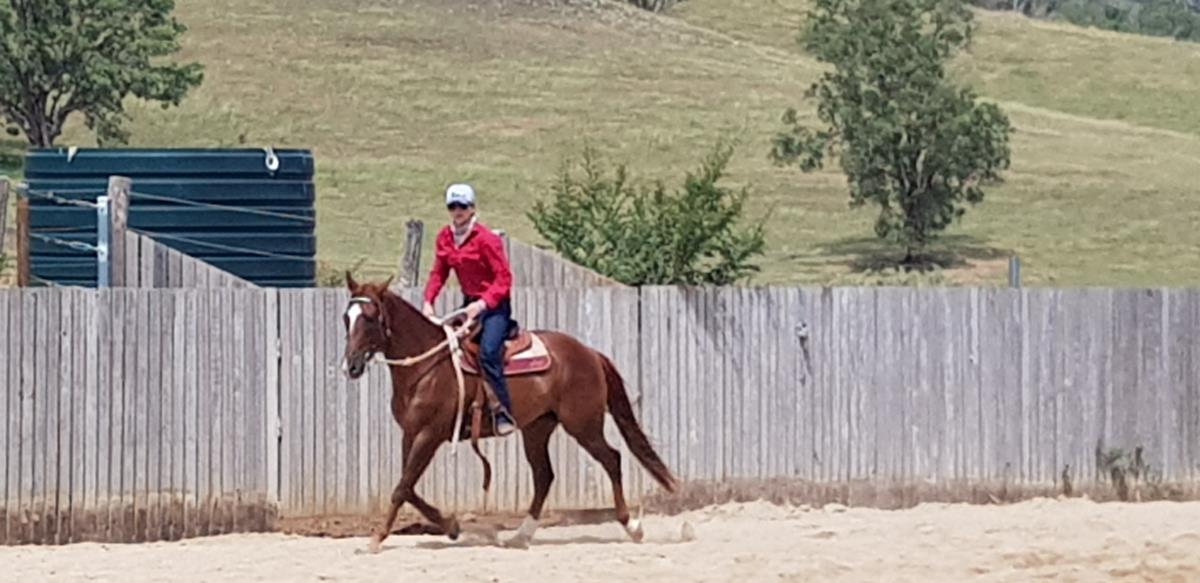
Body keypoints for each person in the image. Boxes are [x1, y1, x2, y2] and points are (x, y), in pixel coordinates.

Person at [422, 183, 518, 436]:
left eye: (462, 206)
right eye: (452, 206)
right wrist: (428, 301)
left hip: (495, 307)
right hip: (469, 304)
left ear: (472, 208)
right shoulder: (445, 237)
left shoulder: (487, 239)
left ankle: (502, 411)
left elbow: (504, 279)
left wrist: (482, 303)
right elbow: (438, 273)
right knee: (447, 346)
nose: (457, 211)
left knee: (488, 352)